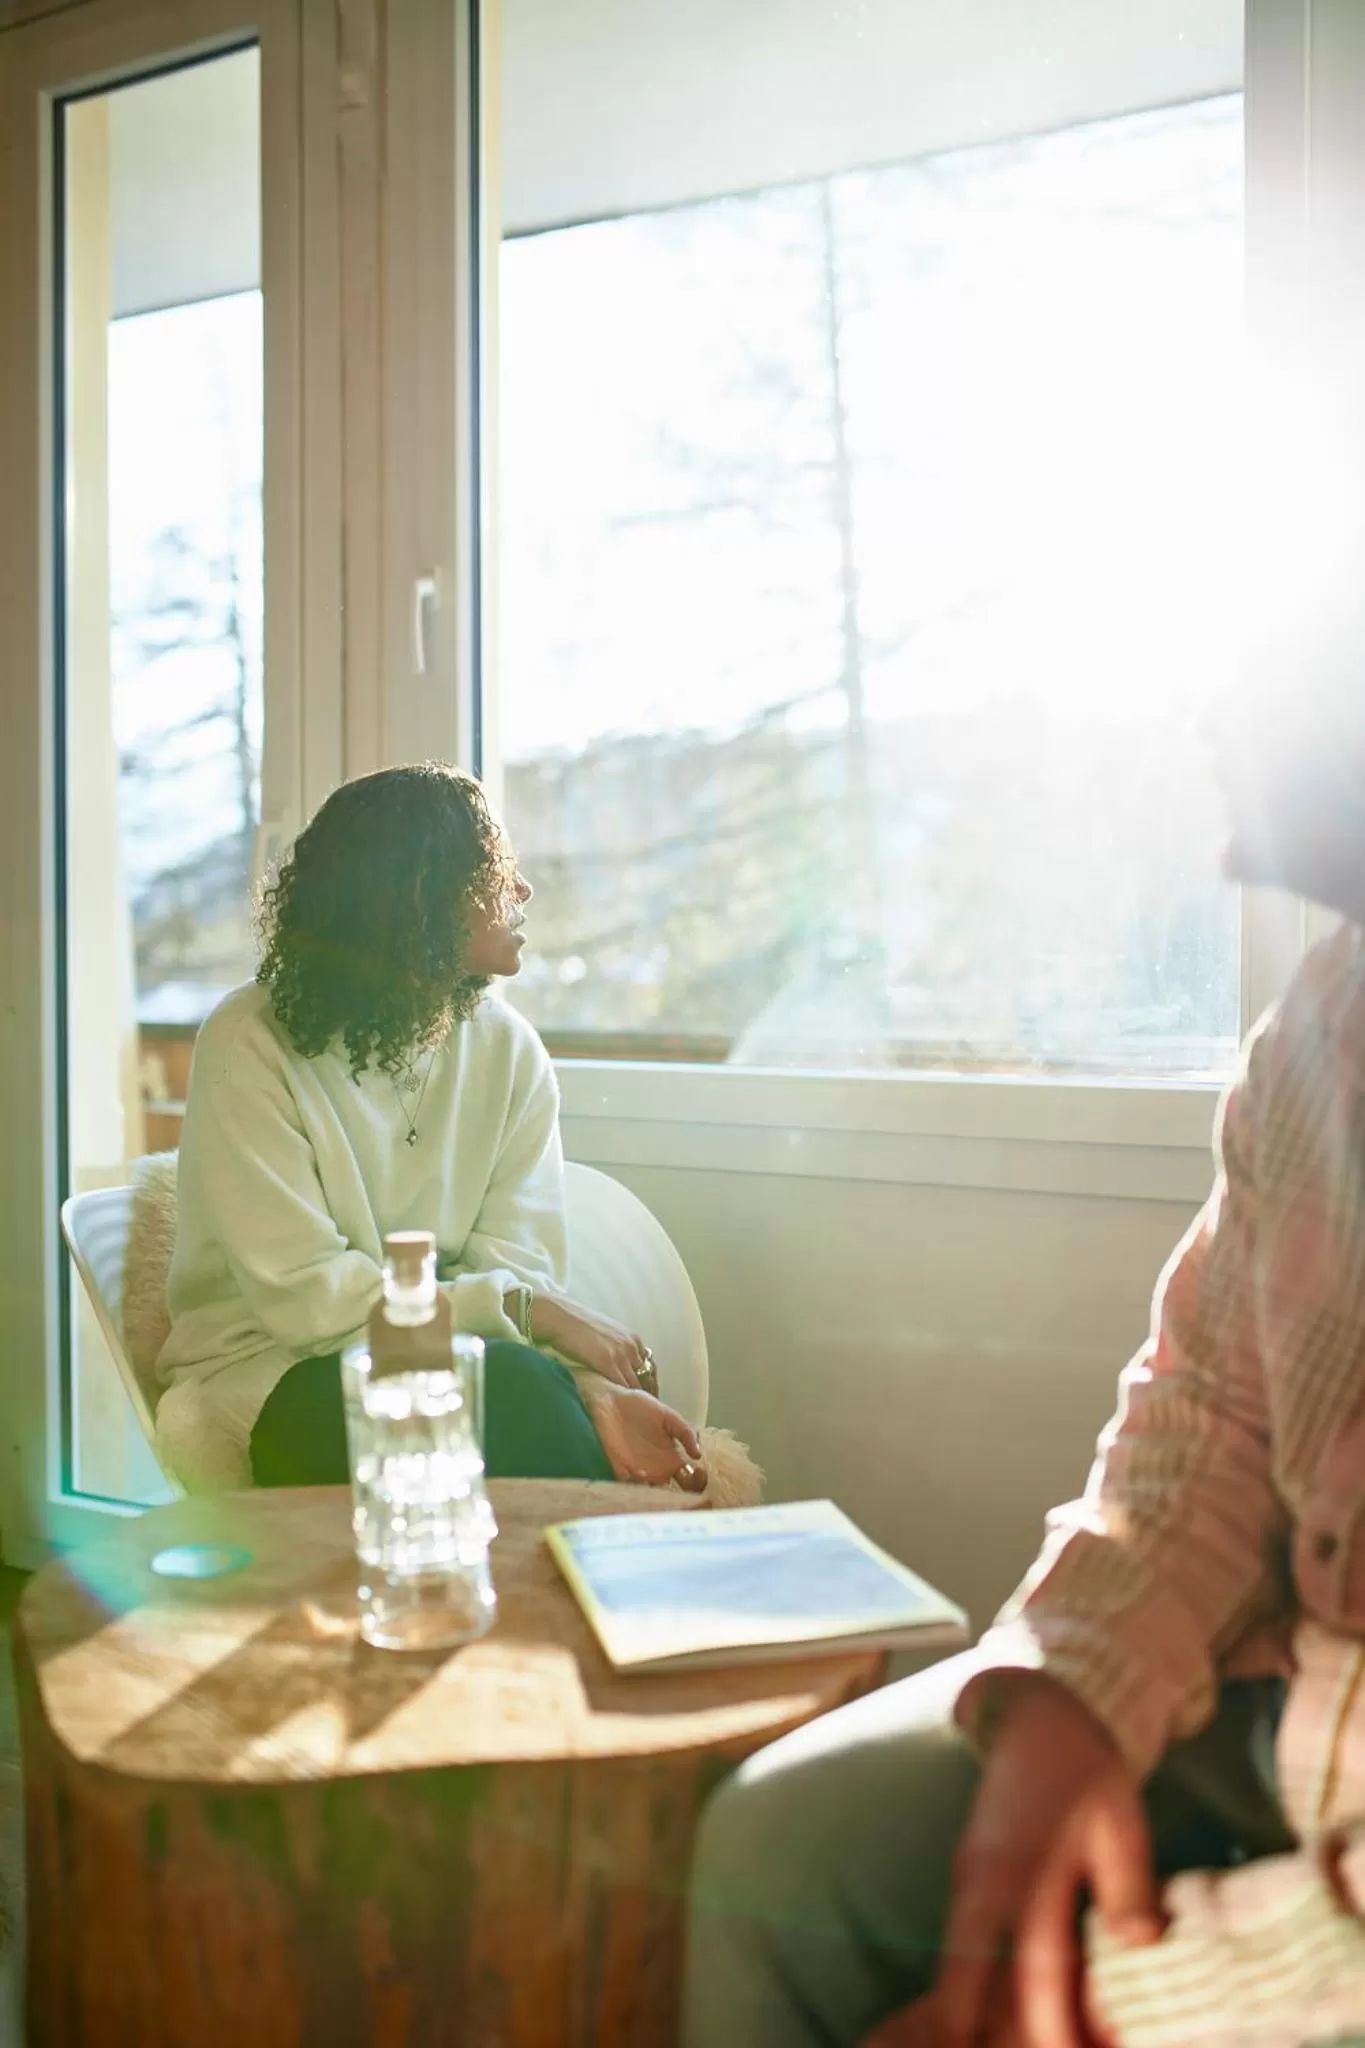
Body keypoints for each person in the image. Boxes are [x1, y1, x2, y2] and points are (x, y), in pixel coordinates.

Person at [683, 670, 1365, 2048]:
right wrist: (1072, 1694)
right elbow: (1205, 1407)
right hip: (1272, 1706)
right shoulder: (1318, 1022)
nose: (1201, 703)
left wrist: (1111, 2001)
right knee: (784, 1857)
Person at [154, 762, 704, 1497]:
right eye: (495, 867)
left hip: (467, 1360)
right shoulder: (248, 1040)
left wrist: (583, 1384)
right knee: (501, 1389)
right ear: (416, 895)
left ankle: (554, 1596)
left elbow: (521, 1265)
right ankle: (596, 1592)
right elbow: (308, 1301)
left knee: (503, 1391)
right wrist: (521, 1317)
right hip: (273, 1372)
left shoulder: (508, 1051)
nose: (523, 889)